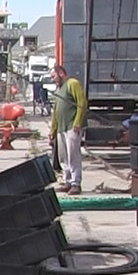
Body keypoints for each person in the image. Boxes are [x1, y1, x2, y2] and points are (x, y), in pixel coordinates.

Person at [49, 65, 87, 195]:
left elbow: (81, 102)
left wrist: (77, 122)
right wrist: (53, 130)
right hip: (61, 128)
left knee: (73, 155)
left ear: (61, 73)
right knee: (63, 156)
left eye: (53, 76)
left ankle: (76, 183)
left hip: (72, 126)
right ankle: (68, 181)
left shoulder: (72, 83)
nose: (52, 79)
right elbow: (55, 112)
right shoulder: (59, 90)